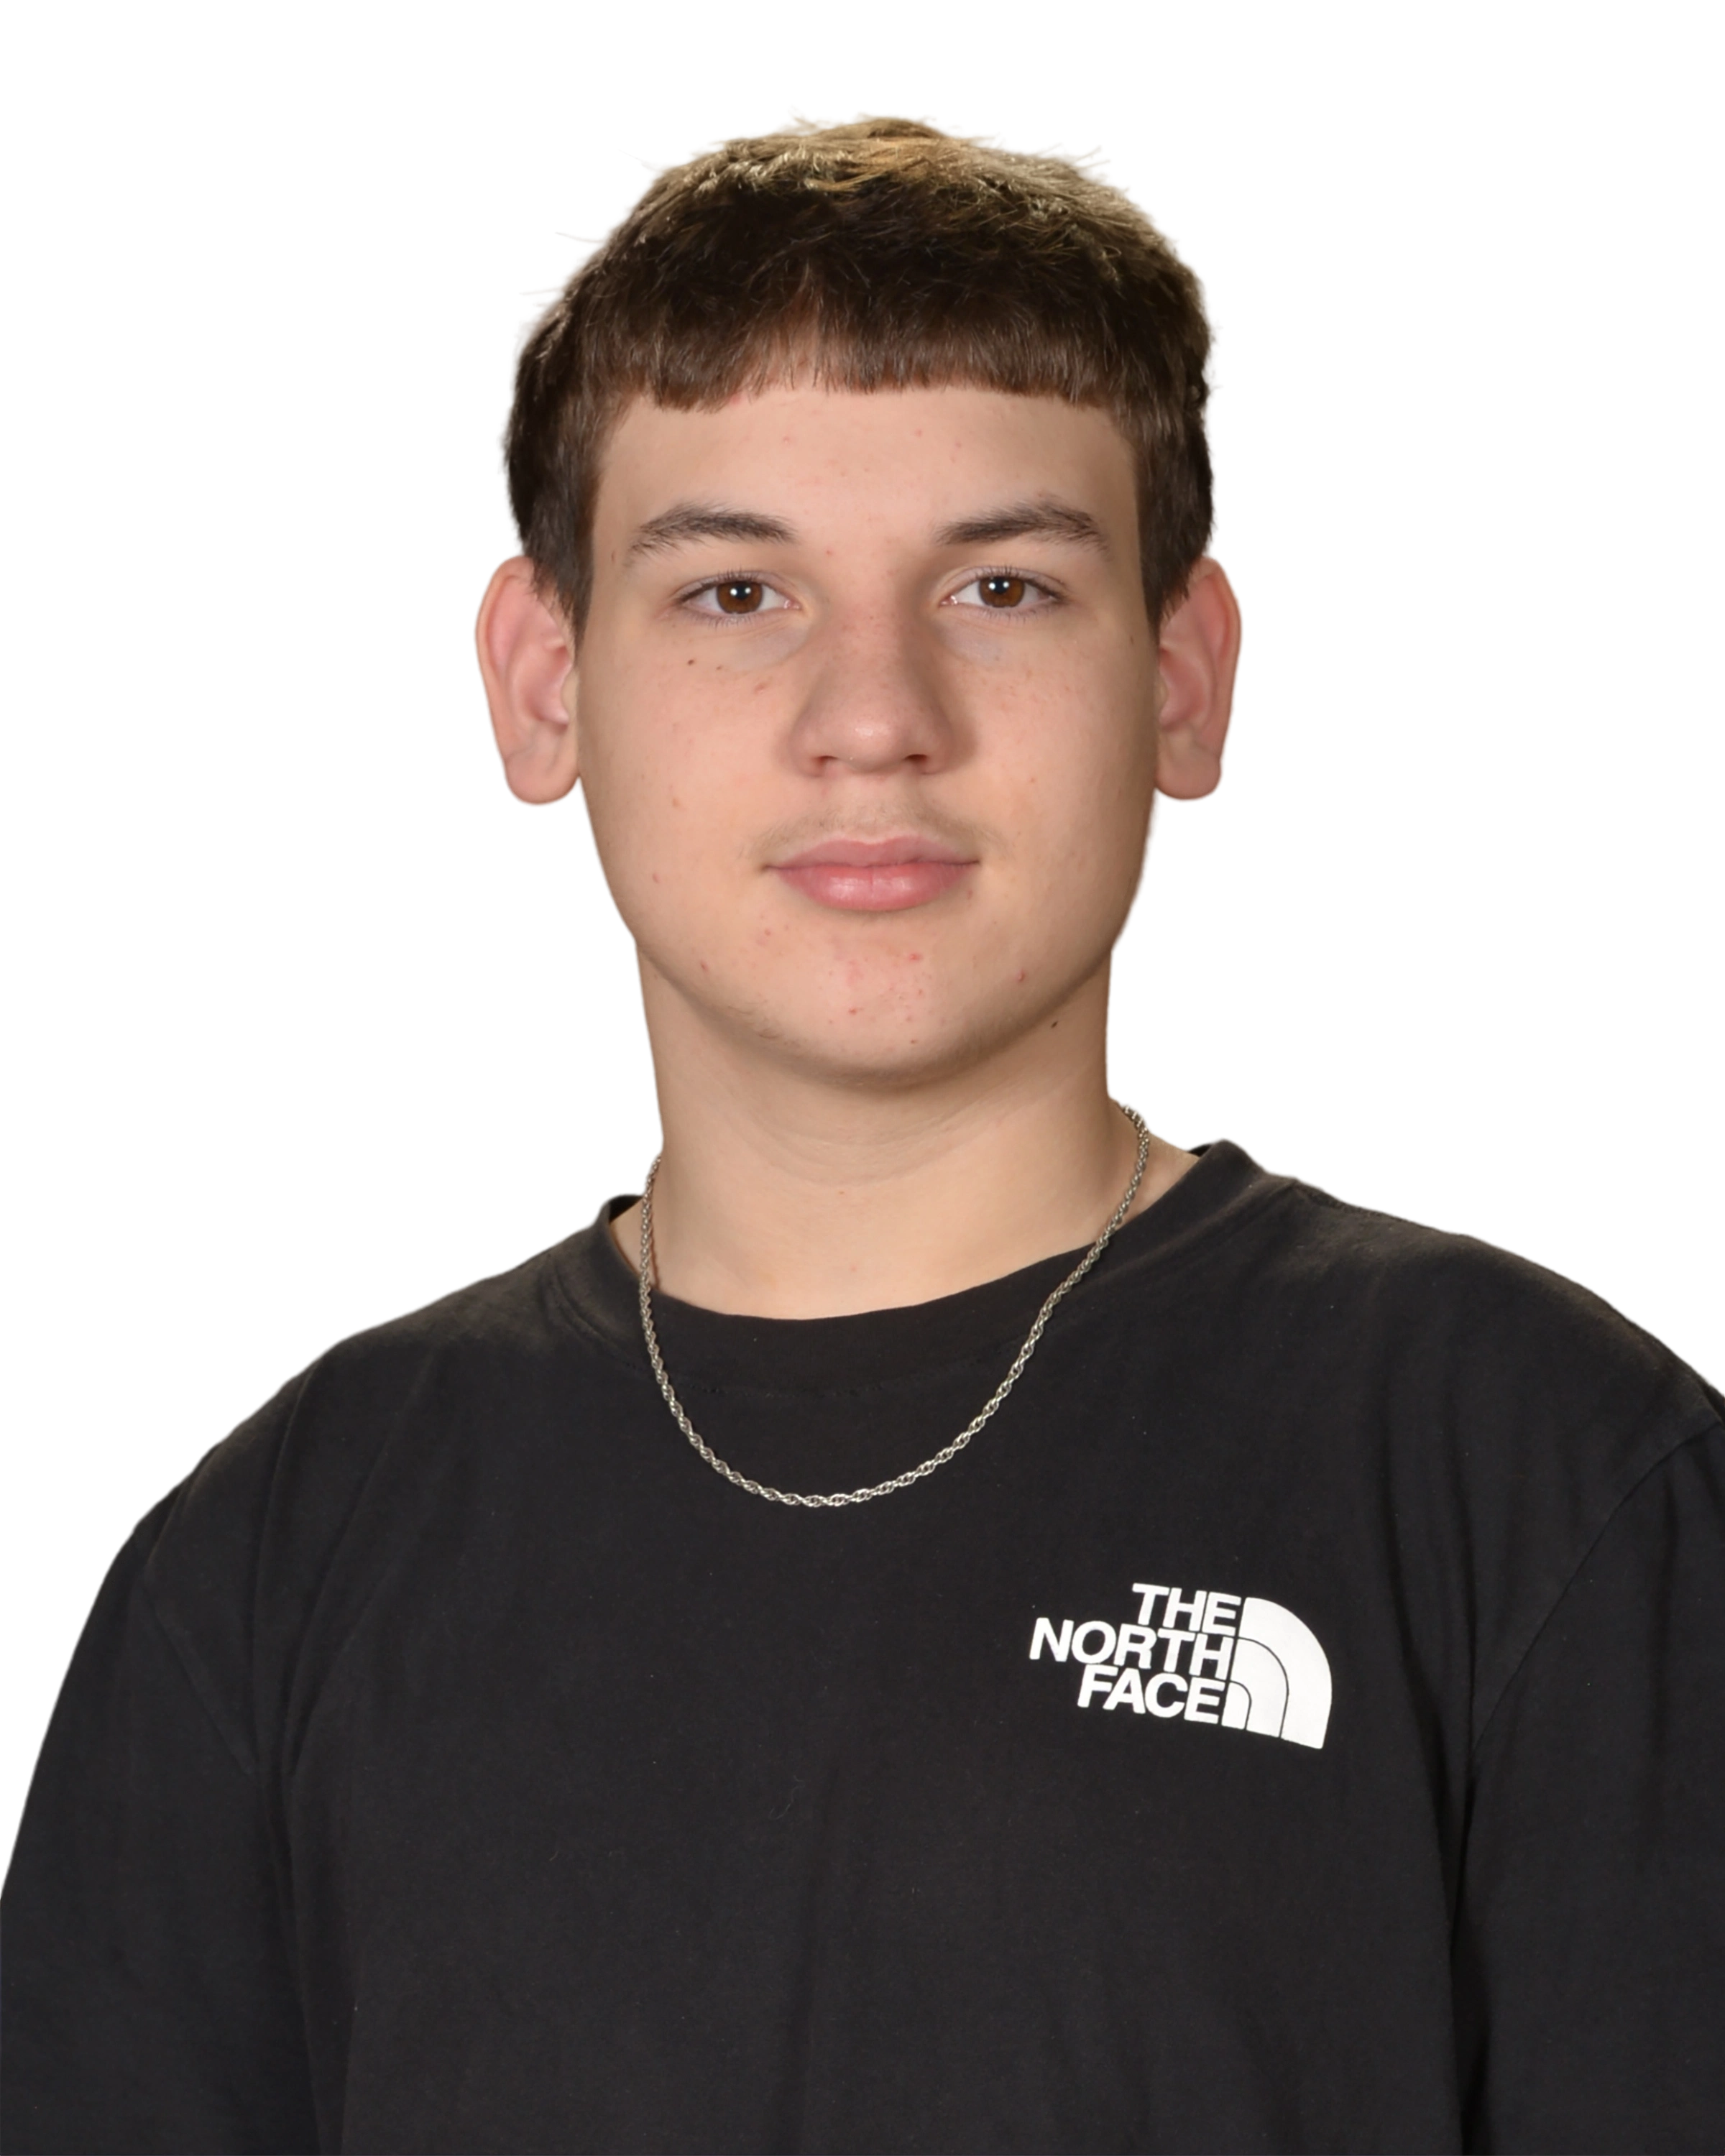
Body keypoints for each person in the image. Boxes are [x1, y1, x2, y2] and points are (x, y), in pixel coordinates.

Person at [4, 107, 1720, 2156]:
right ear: (544, 683)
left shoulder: (1544, 1474)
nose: (876, 715)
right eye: (738, 591)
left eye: (1003, 583)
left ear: (1184, 677)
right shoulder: (267, 1568)